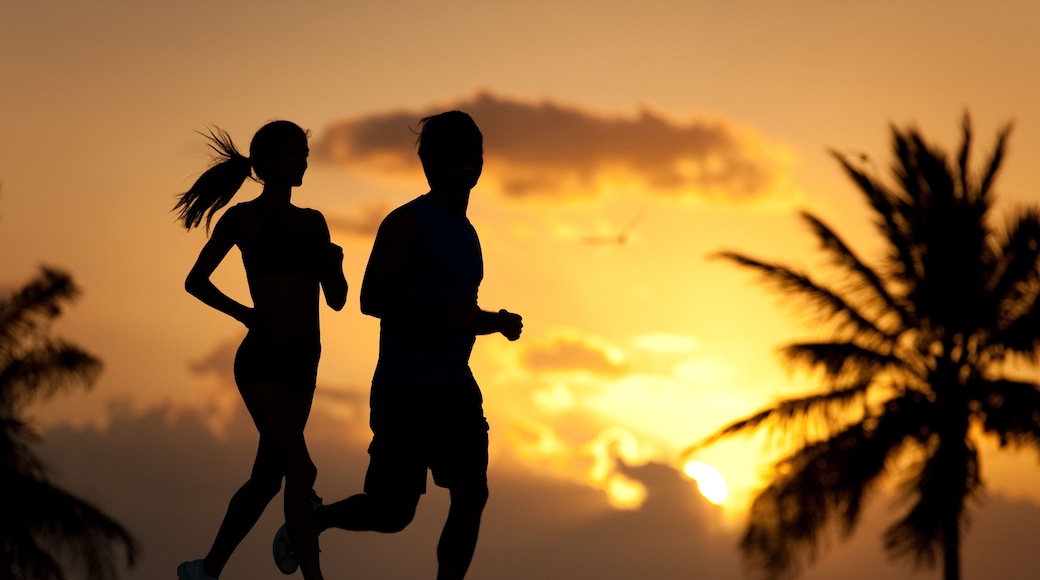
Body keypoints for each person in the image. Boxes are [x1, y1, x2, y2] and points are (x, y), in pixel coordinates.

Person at [272, 110, 522, 580]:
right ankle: (315, 519)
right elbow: (372, 299)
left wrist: (493, 322)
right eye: (458, 152)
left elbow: (459, 310)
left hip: (456, 389)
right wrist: (451, 315)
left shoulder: (468, 232)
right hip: (405, 392)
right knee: (392, 514)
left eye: (476, 151)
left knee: (472, 494)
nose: (470, 160)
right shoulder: (406, 223)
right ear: (430, 162)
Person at [174, 120, 346, 580]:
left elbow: (336, 299)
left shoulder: (314, 222)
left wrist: (335, 266)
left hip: (305, 364)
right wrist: (246, 315)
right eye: (293, 152)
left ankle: (205, 570)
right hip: (263, 361)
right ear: (265, 160)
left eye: (305, 153)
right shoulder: (244, 219)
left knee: (270, 479)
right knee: (301, 469)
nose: (302, 160)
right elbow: (196, 281)